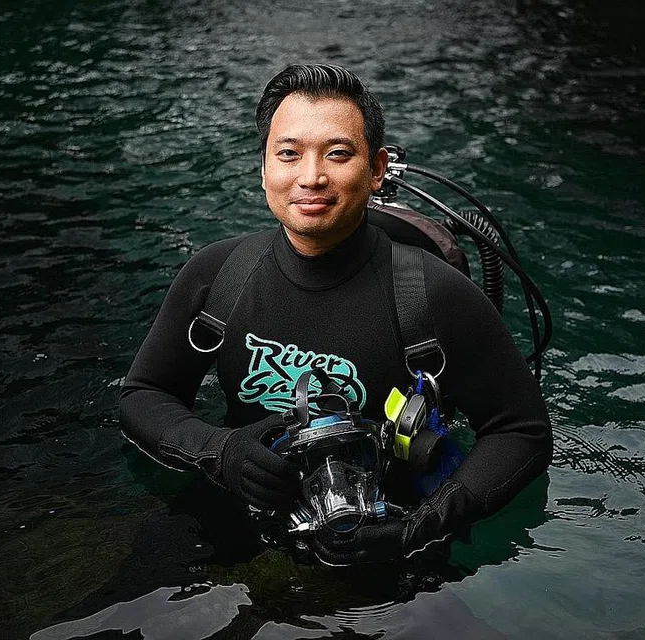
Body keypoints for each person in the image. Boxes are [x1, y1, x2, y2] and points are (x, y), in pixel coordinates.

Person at [119, 63, 552, 565]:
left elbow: (522, 431)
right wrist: (219, 451)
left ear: (376, 169)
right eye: (288, 154)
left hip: (390, 548)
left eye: (338, 154)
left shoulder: (433, 293)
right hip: (238, 512)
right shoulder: (218, 275)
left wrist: (423, 526)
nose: (311, 177)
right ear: (264, 168)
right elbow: (143, 395)